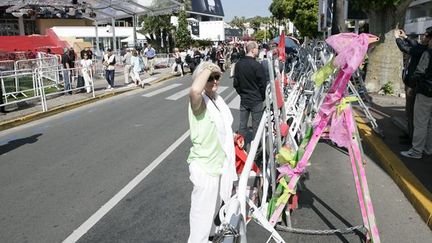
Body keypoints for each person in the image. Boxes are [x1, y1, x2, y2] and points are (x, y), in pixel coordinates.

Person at [187, 61, 236, 243]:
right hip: (205, 165)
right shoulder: (198, 102)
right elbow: (194, 91)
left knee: (212, 216)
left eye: (217, 77)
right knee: (201, 217)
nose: (215, 81)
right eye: (210, 78)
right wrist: (208, 67)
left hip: (219, 164)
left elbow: (222, 126)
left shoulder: (216, 98)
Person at [395, 27, 432, 141]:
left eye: (426, 36)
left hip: (415, 86)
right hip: (415, 85)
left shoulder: (424, 50)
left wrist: (397, 38)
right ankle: (411, 135)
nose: (423, 37)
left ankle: (413, 139)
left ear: (430, 39)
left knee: (412, 113)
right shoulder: (422, 47)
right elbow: (415, 44)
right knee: (412, 113)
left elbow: (407, 49)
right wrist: (405, 37)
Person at [234, 41, 266, 141]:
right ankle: (255, 150)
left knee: (242, 125)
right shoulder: (257, 65)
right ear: (252, 50)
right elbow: (263, 84)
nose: (258, 50)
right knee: (256, 126)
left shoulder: (238, 64)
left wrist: (242, 94)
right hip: (256, 99)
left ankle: (239, 149)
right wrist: (261, 96)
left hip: (244, 99)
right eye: (257, 48)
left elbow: (236, 83)